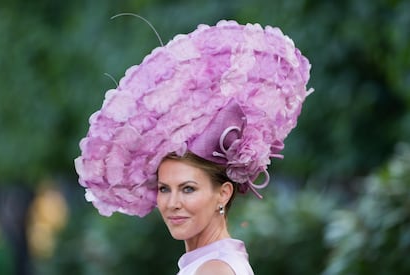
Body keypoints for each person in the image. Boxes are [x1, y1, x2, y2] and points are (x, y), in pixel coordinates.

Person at [75, 20, 312, 274]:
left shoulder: (214, 270)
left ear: (223, 193)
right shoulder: (215, 262)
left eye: (188, 189)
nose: (172, 203)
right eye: (165, 189)